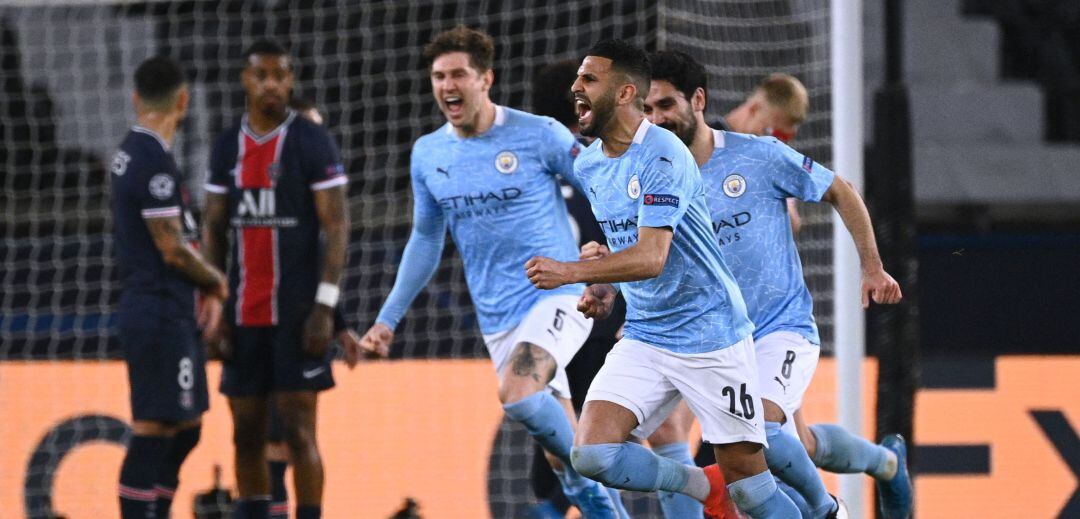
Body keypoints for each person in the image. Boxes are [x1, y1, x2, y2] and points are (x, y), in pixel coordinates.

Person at [527, 38, 800, 518]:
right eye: (578, 79)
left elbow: (652, 256)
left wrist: (571, 271)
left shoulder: (663, 153)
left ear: (626, 92)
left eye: (589, 79)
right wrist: (600, 280)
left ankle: (809, 505)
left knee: (753, 491)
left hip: (708, 333)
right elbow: (626, 243)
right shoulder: (590, 164)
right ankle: (702, 487)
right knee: (592, 453)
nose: (576, 87)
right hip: (647, 334)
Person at [357, 26, 621, 517]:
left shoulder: (538, 134)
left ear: (485, 79)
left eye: (458, 73)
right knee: (561, 456)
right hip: (497, 318)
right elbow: (425, 240)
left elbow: (604, 185)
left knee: (518, 396)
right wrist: (387, 320)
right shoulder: (429, 154)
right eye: (438, 76)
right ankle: (601, 500)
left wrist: (610, 258)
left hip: (558, 295)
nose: (447, 85)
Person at [643, 49, 912, 519]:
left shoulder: (754, 153)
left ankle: (827, 508)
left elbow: (838, 190)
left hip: (774, 327)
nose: (655, 119)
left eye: (664, 106)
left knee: (758, 434)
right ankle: (886, 463)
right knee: (780, 442)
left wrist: (871, 266)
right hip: (707, 334)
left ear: (698, 102)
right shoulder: (652, 174)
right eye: (648, 110)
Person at [202, 39, 352, 519]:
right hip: (243, 315)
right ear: (246, 81)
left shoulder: (310, 141)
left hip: (297, 316)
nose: (271, 83)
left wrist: (326, 308)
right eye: (261, 74)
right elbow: (213, 229)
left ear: (290, 81)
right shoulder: (227, 146)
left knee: (298, 430)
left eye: (280, 75)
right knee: (245, 432)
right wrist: (215, 306)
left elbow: (337, 226)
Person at [111, 55, 227, 519]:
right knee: (156, 429)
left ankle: (156, 510)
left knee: (186, 428)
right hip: (159, 313)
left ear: (136, 98)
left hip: (170, 312)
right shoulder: (152, 161)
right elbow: (173, 249)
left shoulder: (132, 152)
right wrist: (218, 284)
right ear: (184, 101)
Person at [258, 97, 362, 519]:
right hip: (262, 325)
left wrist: (338, 325)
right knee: (268, 440)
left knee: (296, 438)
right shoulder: (259, 193)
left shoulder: (318, 200)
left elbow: (319, 265)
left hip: (304, 327)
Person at [724, 73, 810, 235]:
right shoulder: (704, 143)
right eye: (771, 132)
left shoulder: (770, 160)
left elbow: (791, 225)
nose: (776, 143)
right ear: (754, 109)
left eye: (785, 138)